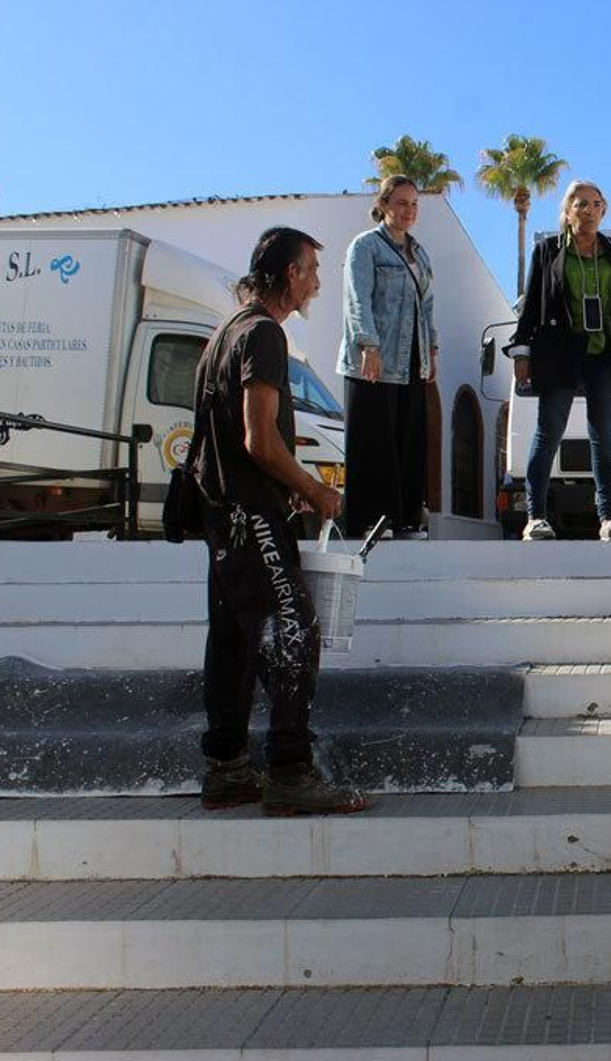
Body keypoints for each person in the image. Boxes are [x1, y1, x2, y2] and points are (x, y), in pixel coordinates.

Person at [190, 227, 367, 816]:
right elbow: (258, 440)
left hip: (222, 517)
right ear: (290, 274)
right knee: (295, 629)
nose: (318, 281)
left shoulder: (225, 333)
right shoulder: (264, 335)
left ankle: (227, 769)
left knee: (235, 642)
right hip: (249, 515)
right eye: (313, 269)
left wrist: (280, 490)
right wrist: (313, 489)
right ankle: (290, 773)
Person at [506, 179, 611, 541]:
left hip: (604, 353)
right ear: (567, 211)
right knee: (548, 431)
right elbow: (533, 304)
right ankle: (536, 517)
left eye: (596, 204)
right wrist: (522, 350)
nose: (588, 211)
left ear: (603, 210)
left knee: (605, 435)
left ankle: (608, 518)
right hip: (560, 351)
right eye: (581, 204)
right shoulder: (548, 250)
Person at [338, 175, 437, 541]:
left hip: (411, 359)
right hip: (374, 359)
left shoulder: (419, 253)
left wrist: (432, 349)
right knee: (372, 440)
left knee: (409, 440)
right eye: (401, 203)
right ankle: (369, 520)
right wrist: (369, 345)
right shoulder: (365, 247)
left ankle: (405, 519)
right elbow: (357, 300)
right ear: (383, 204)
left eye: (414, 204)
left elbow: (427, 305)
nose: (408, 210)